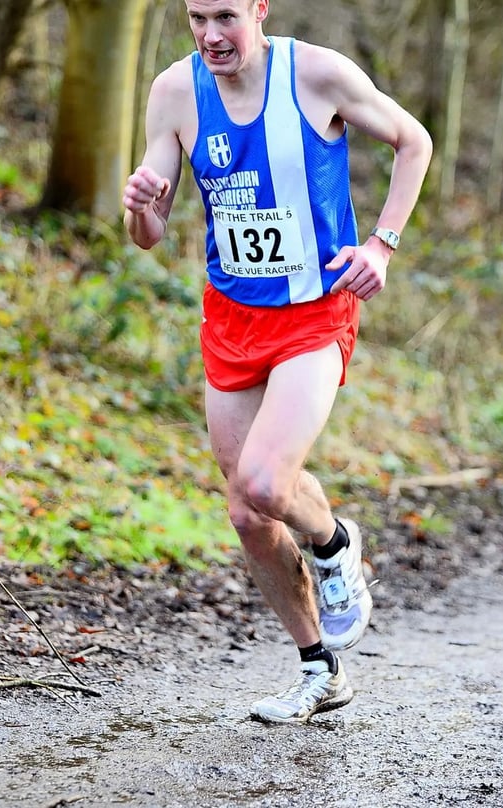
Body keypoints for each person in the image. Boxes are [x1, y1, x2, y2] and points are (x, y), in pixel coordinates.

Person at [122, 0, 432, 724]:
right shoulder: (174, 90)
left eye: (226, 16)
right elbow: (150, 232)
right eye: (196, 17)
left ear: (260, 9)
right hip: (231, 318)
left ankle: (334, 542)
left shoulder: (316, 74)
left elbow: (412, 141)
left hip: (315, 311)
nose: (210, 35)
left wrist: (382, 244)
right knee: (246, 507)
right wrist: (140, 205)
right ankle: (322, 670)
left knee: (265, 481)